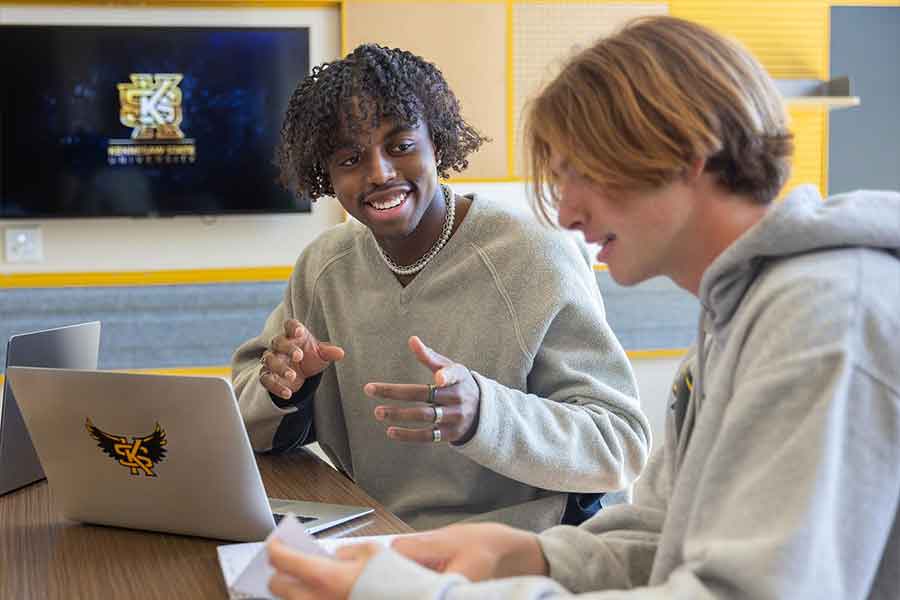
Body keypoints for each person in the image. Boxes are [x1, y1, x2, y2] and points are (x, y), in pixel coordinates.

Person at [263, 16, 900, 600]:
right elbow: (662, 538)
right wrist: (534, 557)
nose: (565, 212)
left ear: (684, 149)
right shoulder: (742, 312)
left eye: (580, 173)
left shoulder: (824, 320)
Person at [232, 44, 651, 533]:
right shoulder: (324, 267)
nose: (380, 173)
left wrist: (483, 414)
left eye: (401, 146)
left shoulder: (535, 257)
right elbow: (248, 421)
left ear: (438, 143)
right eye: (350, 158)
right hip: (378, 537)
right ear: (327, 175)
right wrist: (287, 391)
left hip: (524, 549)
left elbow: (619, 444)